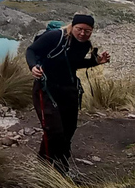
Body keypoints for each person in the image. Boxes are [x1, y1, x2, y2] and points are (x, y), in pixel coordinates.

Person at [25, 13, 110, 173]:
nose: (83, 33)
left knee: (68, 130)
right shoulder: (55, 37)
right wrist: (33, 67)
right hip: (46, 89)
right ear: (73, 26)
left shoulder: (85, 45)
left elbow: (72, 64)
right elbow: (31, 50)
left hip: (69, 91)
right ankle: (45, 169)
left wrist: (95, 61)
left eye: (88, 31)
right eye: (79, 29)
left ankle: (60, 168)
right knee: (54, 130)